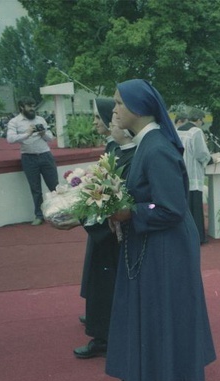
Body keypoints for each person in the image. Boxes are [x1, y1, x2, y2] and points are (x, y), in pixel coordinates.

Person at [97, 79, 216, 381]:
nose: (115, 109)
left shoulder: (158, 147)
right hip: (149, 243)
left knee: (169, 311)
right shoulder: (145, 144)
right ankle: (138, 378)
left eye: (120, 103)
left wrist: (128, 212)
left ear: (138, 107)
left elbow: (171, 208)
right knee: (141, 310)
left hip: (168, 247)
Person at [74, 99, 135, 360]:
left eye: (111, 119)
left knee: (106, 285)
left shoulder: (129, 152)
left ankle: (104, 335)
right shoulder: (117, 149)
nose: (108, 124)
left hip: (113, 231)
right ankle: (100, 330)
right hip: (106, 227)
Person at [7, 96, 59, 225]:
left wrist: (42, 133)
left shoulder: (40, 119)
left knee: (55, 186)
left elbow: (50, 138)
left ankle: (60, 212)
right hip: (29, 157)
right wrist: (27, 133)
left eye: (33, 105)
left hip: (46, 155)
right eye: (29, 106)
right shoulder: (15, 122)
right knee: (36, 189)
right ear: (22, 107)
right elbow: (10, 139)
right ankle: (39, 216)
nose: (32, 108)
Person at [176, 107, 211, 244]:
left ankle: (183, 236)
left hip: (180, 173)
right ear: (199, 120)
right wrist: (211, 158)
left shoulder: (177, 130)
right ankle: (197, 237)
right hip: (193, 174)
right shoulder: (196, 131)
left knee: (184, 208)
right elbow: (201, 153)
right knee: (195, 208)